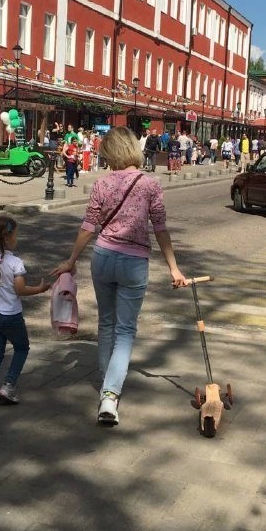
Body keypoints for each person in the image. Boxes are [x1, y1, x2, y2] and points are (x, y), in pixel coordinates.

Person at [50, 127, 187, 426]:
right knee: (125, 330)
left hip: (103, 256)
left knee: (106, 323)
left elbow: (88, 226)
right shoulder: (151, 185)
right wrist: (173, 268)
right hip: (134, 262)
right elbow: (160, 229)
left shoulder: (101, 183)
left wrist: (72, 260)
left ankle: (106, 383)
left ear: (111, 152)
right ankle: (110, 396)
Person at [0, 214, 50, 408]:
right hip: (11, 315)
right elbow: (21, 289)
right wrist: (40, 288)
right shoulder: (15, 263)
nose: (16, 239)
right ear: (6, 239)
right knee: (21, 348)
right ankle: (9, 386)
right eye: (16, 236)